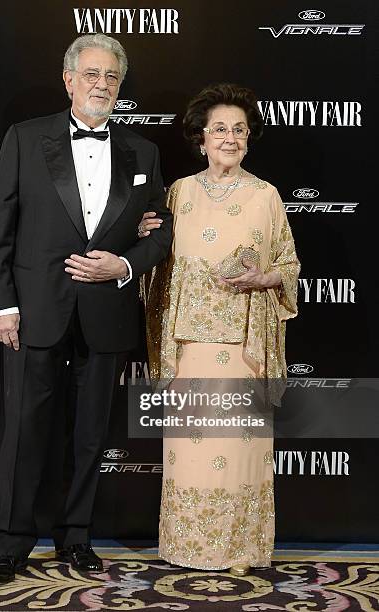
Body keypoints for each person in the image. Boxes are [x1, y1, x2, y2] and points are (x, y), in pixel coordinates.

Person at [0, 33, 172, 583]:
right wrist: (1, 306)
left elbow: (160, 233)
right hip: (35, 309)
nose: (102, 85)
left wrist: (125, 265)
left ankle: (76, 538)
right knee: (24, 430)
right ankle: (12, 543)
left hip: (106, 311)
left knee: (91, 436)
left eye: (111, 77)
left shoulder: (145, 152)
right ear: (69, 80)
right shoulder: (25, 138)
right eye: (91, 74)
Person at [140, 83, 300, 575]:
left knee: (237, 450)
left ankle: (239, 550)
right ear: (201, 138)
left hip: (244, 346)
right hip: (189, 342)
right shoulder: (179, 193)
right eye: (219, 129)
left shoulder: (265, 196)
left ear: (248, 138)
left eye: (239, 130)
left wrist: (263, 276)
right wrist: (145, 235)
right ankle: (187, 547)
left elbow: (289, 267)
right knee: (192, 450)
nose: (229, 138)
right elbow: (156, 266)